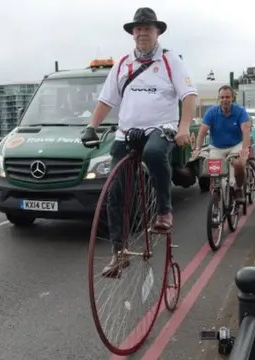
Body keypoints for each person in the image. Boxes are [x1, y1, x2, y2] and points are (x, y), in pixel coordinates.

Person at [80, 7, 198, 274]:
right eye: (138, 28)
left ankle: (165, 211)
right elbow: (106, 100)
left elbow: (189, 95)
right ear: (133, 33)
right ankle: (118, 252)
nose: (143, 32)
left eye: (148, 28)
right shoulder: (123, 64)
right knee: (115, 192)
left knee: (155, 154)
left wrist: (184, 127)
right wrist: (91, 127)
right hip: (127, 132)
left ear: (157, 32)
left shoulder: (170, 61)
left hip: (160, 127)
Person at [193, 85, 251, 202]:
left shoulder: (240, 112)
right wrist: (197, 148)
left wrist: (245, 149)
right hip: (216, 147)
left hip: (235, 145)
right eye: (222, 97)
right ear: (219, 99)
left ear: (232, 98)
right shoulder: (211, 112)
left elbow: (246, 131)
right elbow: (202, 132)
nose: (225, 99)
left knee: (238, 165)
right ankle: (216, 190)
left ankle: (238, 188)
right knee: (214, 171)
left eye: (227, 97)